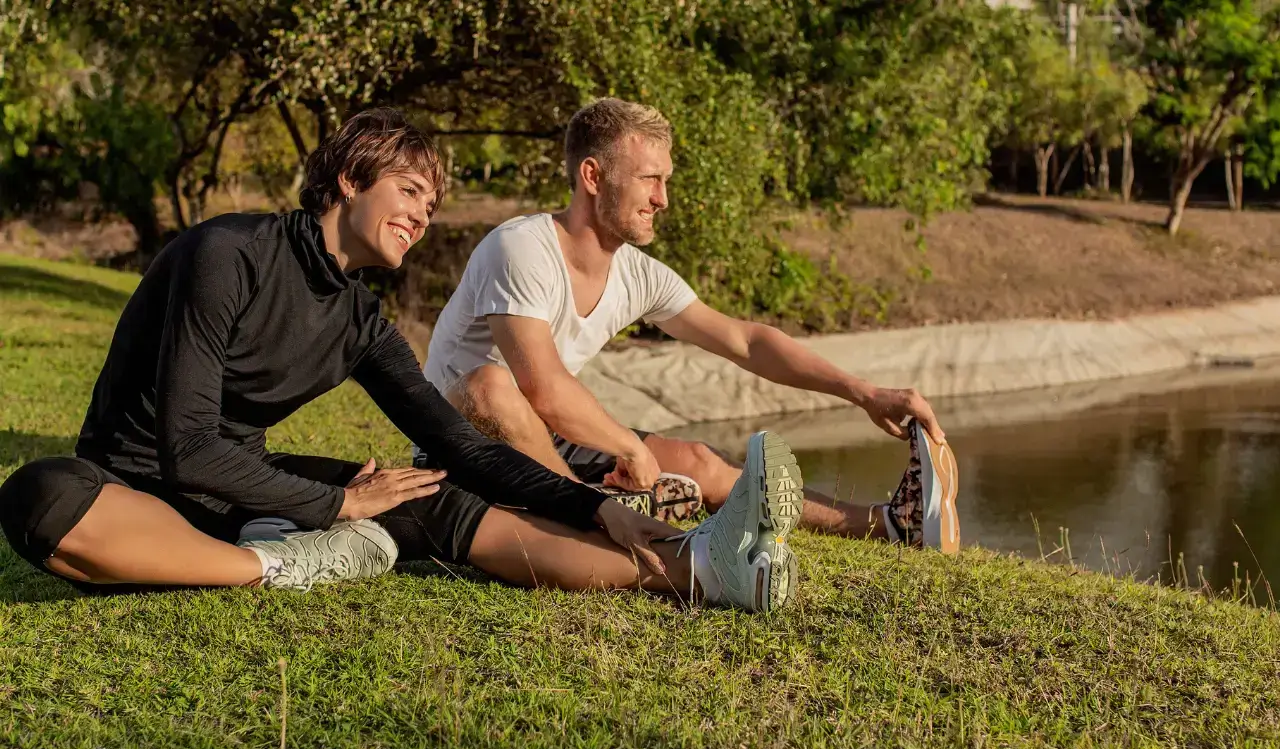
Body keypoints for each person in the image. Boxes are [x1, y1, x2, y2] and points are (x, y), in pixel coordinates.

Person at [0, 108, 802, 612]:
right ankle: (276, 568)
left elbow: (460, 444)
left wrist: (590, 506)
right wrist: (334, 510)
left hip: (240, 493)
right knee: (38, 495)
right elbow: (187, 449)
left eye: (432, 203)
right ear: (350, 179)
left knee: (435, 493)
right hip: (131, 493)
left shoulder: (359, 318)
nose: (423, 214)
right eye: (411, 191)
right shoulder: (227, 254)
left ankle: (699, 571)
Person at [420, 98, 960, 551]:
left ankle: (890, 526)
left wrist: (863, 392)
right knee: (490, 385)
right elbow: (542, 386)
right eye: (649, 179)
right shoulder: (522, 248)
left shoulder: (635, 273)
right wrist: (630, 450)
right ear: (592, 175)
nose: (663, 198)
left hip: (543, 441)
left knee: (698, 461)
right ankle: (593, 517)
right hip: (459, 444)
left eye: (665, 180)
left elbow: (745, 342)